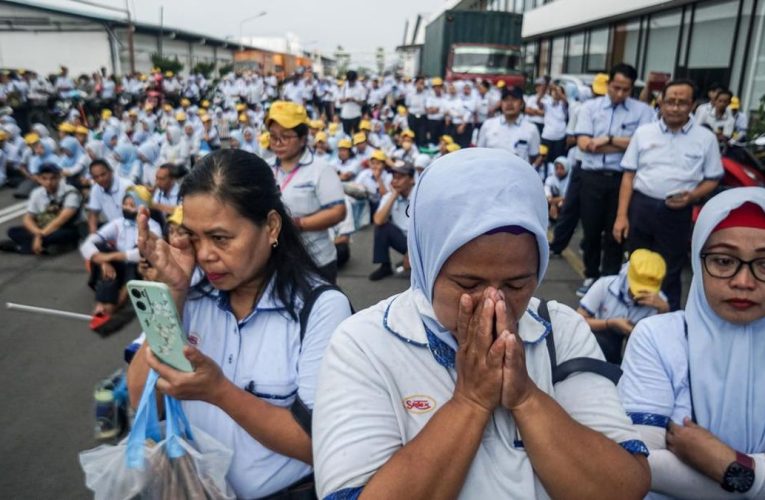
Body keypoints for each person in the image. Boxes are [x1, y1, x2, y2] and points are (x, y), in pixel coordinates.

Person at [313, 148, 650, 499]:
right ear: (427, 263)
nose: (494, 303)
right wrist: (470, 401)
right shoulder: (364, 343)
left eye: (518, 284)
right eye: (468, 284)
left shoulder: (559, 330)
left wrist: (526, 398)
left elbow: (624, 485)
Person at [128, 149, 353, 499]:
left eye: (220, 238)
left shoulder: (320, 309)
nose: (204, 255)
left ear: (272, 227)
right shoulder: (189, 294)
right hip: (191, 488)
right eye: (194, 237)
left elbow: (318, 444)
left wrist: (220, 392)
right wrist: (170, 294)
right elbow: (141, 397)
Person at [618, 188, 765, 498]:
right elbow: (639, 465)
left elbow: (658, 467)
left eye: (764, 264)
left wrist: (731, 466)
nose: (744, 281)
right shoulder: (657, 338)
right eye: (724, 261)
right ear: (698, 262)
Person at [613, 79, 723, 311]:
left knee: (671, 268)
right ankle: (632, 315)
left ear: (692, 105)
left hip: (677, 211)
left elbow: (713, 179)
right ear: (660, 102)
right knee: (637, 262)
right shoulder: (644, 133)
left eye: (682, 102)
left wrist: (692, 196)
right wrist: (621, 216)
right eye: (670, 101)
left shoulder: (705, 138)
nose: (675, 107)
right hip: (641, 207)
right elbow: (628, 177)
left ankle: (668, 319)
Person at [574, 63, 654, 297]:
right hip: (592, 178)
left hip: (623, 180)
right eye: (616, 87)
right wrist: (622, 143)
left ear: (632, 89)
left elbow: (642, 145)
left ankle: (609, 280)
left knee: (616, 232)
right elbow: (584, 144)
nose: (619, 93)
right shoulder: (590, 108)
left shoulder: (643, 112)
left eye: (625, 89)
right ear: (608, 84)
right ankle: (591, 274)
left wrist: (606, 139)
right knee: (590, 230)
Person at [266, 101, 346, 283]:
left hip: (315, 259)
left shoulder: (321, 169)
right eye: (273, 136)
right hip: (275, 259)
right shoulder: (266, 168)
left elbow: (337, 211)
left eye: (285, 136)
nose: (278, 143)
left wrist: (296, 224)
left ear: (303, 138)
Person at [80, 186, 162, 318]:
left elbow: (142, 254)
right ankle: (103, 301)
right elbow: (87, 244)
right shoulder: (118, 223)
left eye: (132, 205)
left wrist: (109, 257)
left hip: (138, 267)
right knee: (100, 248)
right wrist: (103, 261)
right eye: (125, 204)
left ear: (142, 207)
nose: (126, 207)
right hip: (119, 263)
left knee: (142, 256)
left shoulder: (153, 226)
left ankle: (117, 301)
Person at [577, 249, 669, 364]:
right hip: (605, 336)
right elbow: (578, 320)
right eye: (639, 285)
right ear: (627, 273)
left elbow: (662, 342)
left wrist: (664, 311)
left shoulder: (660, 302)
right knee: (603, 343)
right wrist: (610, 323)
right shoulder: (604, 285)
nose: (643, 292)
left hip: (638, 343)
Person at [0, 163, 81, 255]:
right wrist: (38, 234)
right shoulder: (37, 193)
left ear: (59, 177)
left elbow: (60, 221)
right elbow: (28, 218)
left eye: (53, 178)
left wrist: (39, 236)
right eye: (44, 179)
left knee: (60, 235)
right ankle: (44, 247)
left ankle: (19, 248)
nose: (49, 182)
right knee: (12, 231)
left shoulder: (70, 192)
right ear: (39, 179)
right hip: (42, 227)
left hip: (64, 227)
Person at [368, 161, 416, 281]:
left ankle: (419, 264)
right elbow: (378, 220)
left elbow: (428, 230)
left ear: (411, 180)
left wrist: (412, 252)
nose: (395, 181)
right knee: (382, 227)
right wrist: (394, 195)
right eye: (394, 177)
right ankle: (385, 266)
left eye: (400, 177)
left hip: (420, 242)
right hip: (402, 238)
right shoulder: (389, 196)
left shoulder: (420, 196)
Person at [477, 86, 541, 166]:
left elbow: (533, 156)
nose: (509, 103)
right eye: (505, 100)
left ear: (521, 104)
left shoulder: (531, 129)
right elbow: (479, 153)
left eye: (514, 99)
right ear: (501, 103)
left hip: (519, 176)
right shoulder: (488, 125)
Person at [87, 159, 135, 234]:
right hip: (115, 230)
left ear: (111, 172)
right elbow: (93, 214)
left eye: (103, 174)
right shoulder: (96, 189)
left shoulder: (127, 186)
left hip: (133, 228)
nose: (100, 179)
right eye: (96, 177)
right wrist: (93, 235)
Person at [544, 155, 571, 221]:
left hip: (565, 203)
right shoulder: (551, 178)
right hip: (555, 201)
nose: (559, 171)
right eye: (557, 168)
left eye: (562, 168)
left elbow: (567, 197)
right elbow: (547, 192)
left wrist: (553, 201)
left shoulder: (571, 180)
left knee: (563, 204)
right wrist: (552, 203)